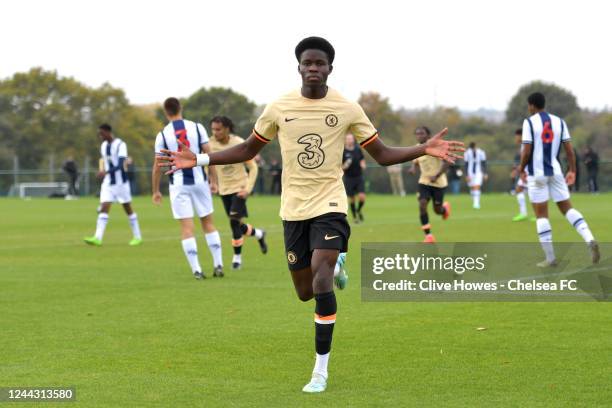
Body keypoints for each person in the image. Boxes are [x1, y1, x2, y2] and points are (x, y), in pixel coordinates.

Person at [157, 37, 463, 393]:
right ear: (299, 67)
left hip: (330, 204)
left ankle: (320, 370)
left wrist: (422, 148)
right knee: (305, 291)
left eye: (320, 63)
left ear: (330, 68)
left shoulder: (348, 108)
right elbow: (247, 148)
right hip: (293, 209)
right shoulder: (278, 107)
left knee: (321, 280)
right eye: (308, 63)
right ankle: (337, 264)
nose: (314, 68)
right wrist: (201, 158)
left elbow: (381, 153)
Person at [518, 92, 599, 267]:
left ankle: (550, 258)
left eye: (528, 105)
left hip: (537, 174)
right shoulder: (559, 122)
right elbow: (569, 150)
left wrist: (521, 168)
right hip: (555, 172)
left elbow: (526, 151)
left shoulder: (529, 122)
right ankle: (589, 238)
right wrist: (572, 170)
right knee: (568, 208)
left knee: (541, 215)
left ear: (532, 105)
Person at [152, 98, 224, 279]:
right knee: (208, 223)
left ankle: (197, 270)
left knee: (186, 228)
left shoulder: (162, 134)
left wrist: (156, 190)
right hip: (200, 182)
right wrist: (213, 180)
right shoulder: (197, 127)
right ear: (180, 108)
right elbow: (209, 156)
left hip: (178, 185)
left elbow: (158, 165)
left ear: (166, 112)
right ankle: (218, 264)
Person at [209, 115, 268, 270]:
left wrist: (247, 189)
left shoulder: (239, 143)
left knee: (234, 221)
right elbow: (208, 165)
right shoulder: (210, 144)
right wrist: (213, 182)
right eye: (213, 129)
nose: (215, 132)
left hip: (239, 188)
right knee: (239, 224)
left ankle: (237, 259)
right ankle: (259, 234)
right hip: (223, 190)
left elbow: (253, 167)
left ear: (227, 129)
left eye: (218, 129)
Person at [84, 124, 142, 246]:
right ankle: (97, 238)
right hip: (108, 183)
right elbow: (105, 162)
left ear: (108, 132)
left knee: (128, 209)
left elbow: (121, 164)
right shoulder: (103, 146)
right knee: (104, 207)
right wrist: (103, 172)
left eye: (102, 133)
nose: (100, 136)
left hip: (121, 183)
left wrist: (106, 172)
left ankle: (137, 236)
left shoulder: (121, 145)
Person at [408, 126, 451, 243]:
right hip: (424, 182)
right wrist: (412, 168)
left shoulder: (436, 147)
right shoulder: (417, 148)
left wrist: (437, 175)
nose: (419, 136)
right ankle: (429, 236)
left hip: (439, 183)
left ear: (428, 135)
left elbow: (447, 162)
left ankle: (444, 209)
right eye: (417, 134)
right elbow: (415, 161)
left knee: (437, 210)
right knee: (422, 205)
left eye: (421, 133)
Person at [342, 133, 366, 223]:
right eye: (347, 139)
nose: (349, 140)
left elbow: (362, 159)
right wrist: (345, 165)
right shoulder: (342, 151)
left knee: (362, 197)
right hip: (348, 178)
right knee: (352, 199)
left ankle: (358, 210)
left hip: (358, 177)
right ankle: (355, 217)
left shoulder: (357, 149)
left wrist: (363, 164)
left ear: (353, 140)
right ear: (345, 140)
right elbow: (340, 167)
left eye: (351, 139)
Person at [511, 128, 530, 221]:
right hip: (526, 171)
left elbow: (527, 158)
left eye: (516, 136)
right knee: (519, 189)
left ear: (521, 136)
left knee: (534, 192)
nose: (516, 138)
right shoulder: (524, 144)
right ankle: (524, 213)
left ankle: (538, 215)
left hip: (529, 172)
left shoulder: (526, 144)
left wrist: (518, 170)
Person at [464, 142, 487, 209]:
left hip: (478, 172)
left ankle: (476, 203)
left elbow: (484, 163)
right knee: (472, 187)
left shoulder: (481, 152)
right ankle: (474, 201)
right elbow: (466, 164)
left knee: (476, 186)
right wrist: (466, 175)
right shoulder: (467, 153)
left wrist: (485, 173)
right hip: (470, 172)